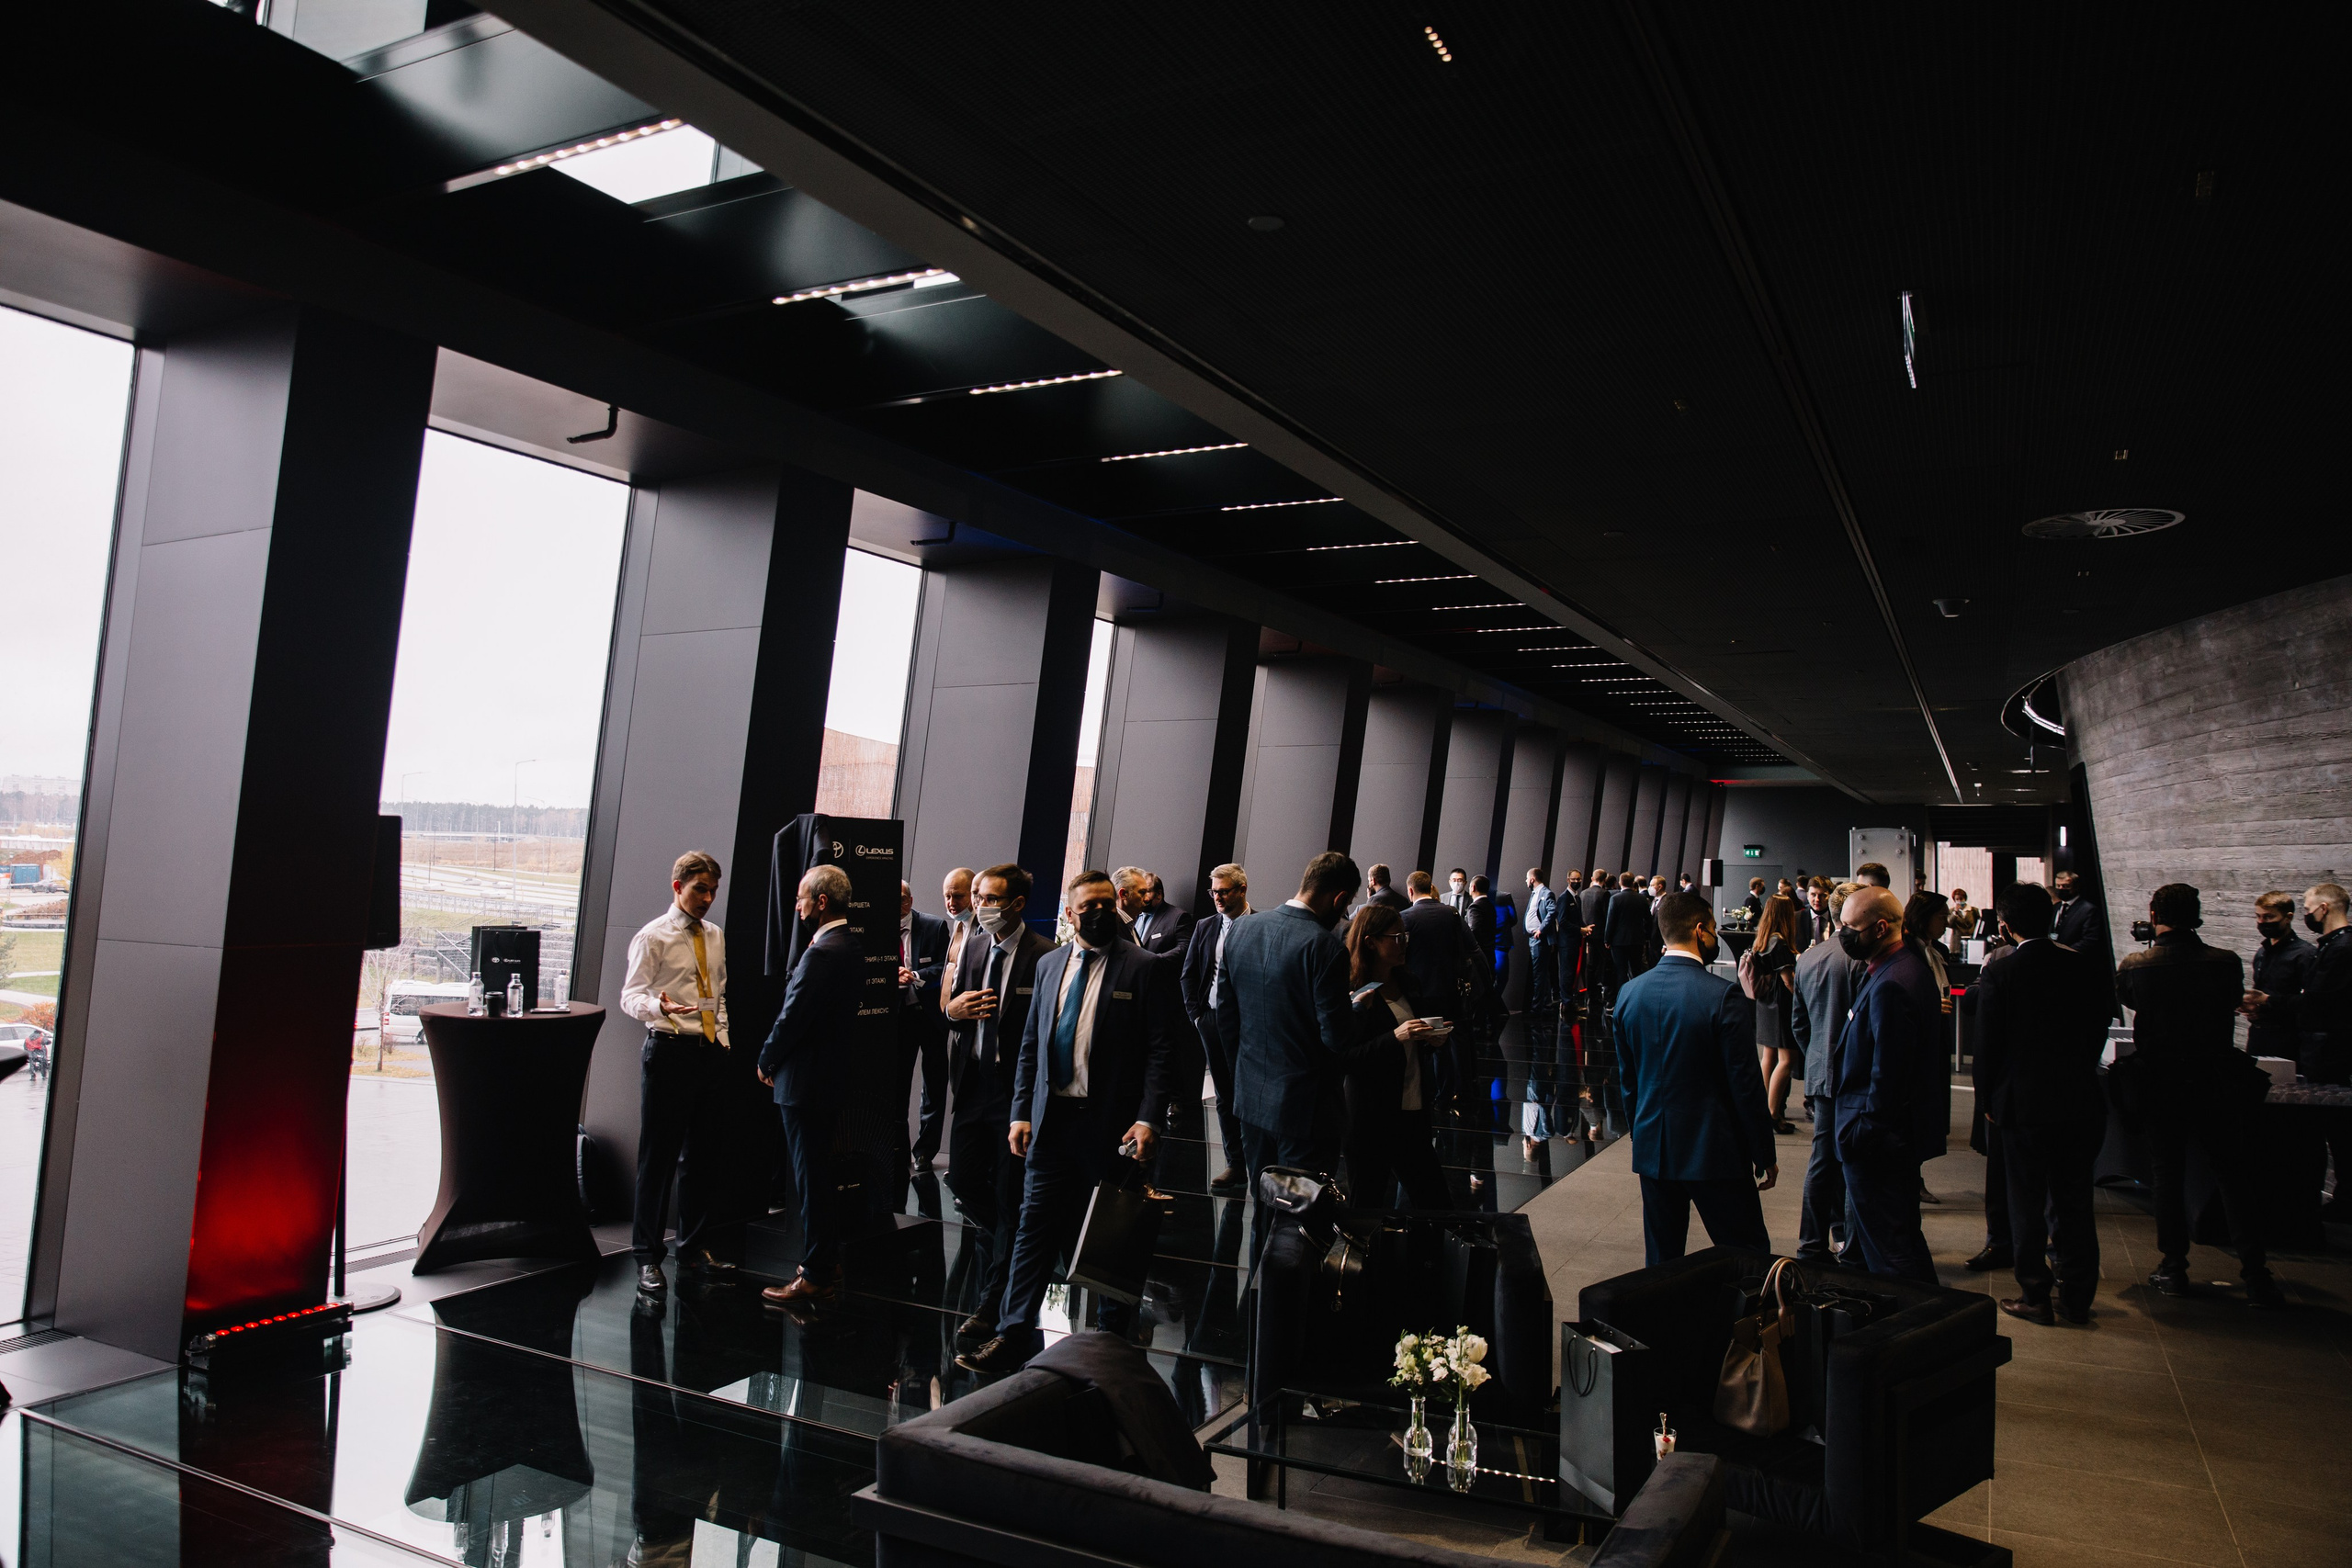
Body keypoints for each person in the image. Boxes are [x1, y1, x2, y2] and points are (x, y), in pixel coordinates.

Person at [959, 869, 1181, 1371]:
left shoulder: (1143, 967)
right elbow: (1031, 1046)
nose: (1100, 913)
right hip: (1051, 1124)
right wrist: (1020, 1112)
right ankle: (1016, 1333)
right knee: (1032, 1229)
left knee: (1111, 1235)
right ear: (1069, 913)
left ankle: (1109, 1342)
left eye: (1108, 903)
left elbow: (1162, 1054)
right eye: (1089, 906)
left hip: (1113, 1128)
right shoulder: (1050, 965)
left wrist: (1149, 1119)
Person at [2114, 883, 2283, 1306]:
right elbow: (2230, 1002)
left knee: (2166, 1174)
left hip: (2162, 1080)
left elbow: (2131, 1000)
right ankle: (2256, 1271)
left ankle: (2173, 1267)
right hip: (2215, 1079)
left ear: (2154, 915)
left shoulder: (2137, 964)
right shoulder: (2225, 963)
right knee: (2232, 1175)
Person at [1971, 882, 2115, 1325]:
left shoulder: (2002, 972)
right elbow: (2099, 1028)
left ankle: (2035, 1294)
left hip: (2021, 1104)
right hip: (2077, 1099)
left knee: (2026, 1202)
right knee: (2074, 1200)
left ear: (2005, 925)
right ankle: (2077, 1296)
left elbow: (1988, 1045)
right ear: (2053, 919)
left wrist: (1987, 1099)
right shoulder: (2085, 967)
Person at [1614, 892, 1776, 1263]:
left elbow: (1629, 1082)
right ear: (1700, 931)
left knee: (1661, 1261)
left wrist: (1643, 1135)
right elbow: (1745, 1085)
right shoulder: (1722, 996)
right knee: (1746, 1254)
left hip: (1654, 1149)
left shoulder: (1628, 994)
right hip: (1715, 1150)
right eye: (1714, 930)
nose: (1715, 937)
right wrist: (1763, 1152)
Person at [1217, 852, 1385, 1186]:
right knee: (1299, 1215)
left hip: (1251, 1100)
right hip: (1305, 1110)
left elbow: (1227, 1017)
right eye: (1346, 903)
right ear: (1339, 898)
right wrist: (1359, 1007)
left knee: (1263, 1208)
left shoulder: (1242, 930)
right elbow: (1336, 1037)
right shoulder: (1325, 947)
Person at [940, 863, 1053, 1349]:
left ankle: (993, 1302)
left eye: (989, 898)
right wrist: (951, 1010)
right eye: (978, 896)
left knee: (1009, 1195)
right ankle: (1011, 1241)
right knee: (963, 1180)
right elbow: (952, 1007)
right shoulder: (973, 945)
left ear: (1017, 905)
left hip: (1014, 1095)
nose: (979, 905)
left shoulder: (1045, 957)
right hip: (972, 1086)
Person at [620, 851, 739, 1293]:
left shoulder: (714, 935)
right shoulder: (654, 936)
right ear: (678, 887)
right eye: (699, 890)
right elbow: (630, 996)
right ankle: (647, 1257)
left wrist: (722, 1038)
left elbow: (719, 992)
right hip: (668, 1051)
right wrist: (657, 1006)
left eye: (712, 891)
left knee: (702, 1159)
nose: (707, 899)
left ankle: (692, 1248)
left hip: (708, 1051)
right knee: (658, 1160)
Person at [756, 865, 865, 1305]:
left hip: (803, 1083)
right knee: (817, 1174)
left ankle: (817, 1272)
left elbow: (794, 1015)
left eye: (802, 898)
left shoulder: (821, 953)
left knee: (810, 1179)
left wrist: (767, 1057)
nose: (797, 905)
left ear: (821, 902)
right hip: (828, 1080)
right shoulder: (852, 945)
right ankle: (825, 1262)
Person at [1826, 886, 1943, 1283]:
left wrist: (1863, 1134)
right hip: (1886, 1140)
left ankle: (1911, 1332)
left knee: (1892, 1257)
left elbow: (1888, 1075)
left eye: (1849, 927)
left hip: (1878, 1145)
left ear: (1878, 928)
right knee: (1886, 1245)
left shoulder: (1894, 982)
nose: (1842, 934)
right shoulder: (1903, 968)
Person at [1340, 904, 1448, 1208]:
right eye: (1395, 937)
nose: (1403, 944)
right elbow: (1344, 1057)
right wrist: (1395, 1038)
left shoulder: (1407, 981)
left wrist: (1431, 1039)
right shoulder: (1352, 989)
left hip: (1412, 1108)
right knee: (1366, 1207)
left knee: (1435, 1202)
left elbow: (1413, 1040)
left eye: (1405, 936)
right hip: (1371, 1116)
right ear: (1371, 941)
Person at [1789, 884, 1862, 1261]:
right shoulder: (1861, 960)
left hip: (1822, 1073)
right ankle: (1851, 1247)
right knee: (1853, 1165)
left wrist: (1817, 1056)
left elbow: (1799, 1024)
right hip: (1855, 1078)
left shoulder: (1809, 959)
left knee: (1822, 1162)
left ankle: (1811, 1244)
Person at [1182, 863, 1252, 1191]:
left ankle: (1260, 1162)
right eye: (1214, 892)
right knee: (1224, 1096)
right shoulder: (1206, 926)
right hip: (1211, 1021)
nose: (1218, 897)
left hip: (1250, 1026)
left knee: (1251, 1094)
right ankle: (1236, 1163)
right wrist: (1197, 1016)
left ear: (1241, 890)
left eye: (1223, 891)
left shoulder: (1261, 925)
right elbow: (1189, 973)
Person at [1402, 869, 1486, 1109]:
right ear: (1431, 887)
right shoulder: (1451, 913)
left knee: (1429, 1044)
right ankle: (1462, 1092)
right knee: (1457, 1040)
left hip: (1421, 992)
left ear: (1410, 891)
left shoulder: (1405, 918)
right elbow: (1472, 947)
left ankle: (1436, 1093)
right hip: (1451, 988)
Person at [896, 880, 952, 1175]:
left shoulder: (933, 927)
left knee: (933, 1086)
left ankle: (925, 1152)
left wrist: (914, 974)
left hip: (930, 1016)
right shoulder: (875, 928)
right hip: (898, 1018)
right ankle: (899, 1150)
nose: (898, 905)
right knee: (897, 1087)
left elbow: (948, 967)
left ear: (911, 899)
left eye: (902, 899)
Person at [924, 867, 978, 1165]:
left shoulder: (981, 929)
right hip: (950, 1025)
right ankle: (961, 1167)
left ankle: (965, 1168)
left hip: (970, 1029)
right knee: (957, 1093)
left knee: (967, 1100)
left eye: (957, 895)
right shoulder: (957, 926)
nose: (951, 901)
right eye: (947, 895)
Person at [1745, 894, 1801, 1134]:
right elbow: (1789, 981)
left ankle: (1764, 1111)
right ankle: (1773, 1113)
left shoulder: (1763, 938)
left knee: (1768, 1056)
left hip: (1765, 1002)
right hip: (1781, 1003)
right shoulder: (1780, 942)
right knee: (1787, 1060)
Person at [2240, 890, 2314, 1062]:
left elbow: (2310, 1004)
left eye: (2268, 917)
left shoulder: (2305, 955)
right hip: (2259, 1036)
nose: (2261, 922)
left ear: (2288, 917)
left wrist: (2267, 1002)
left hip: (2288, 1041)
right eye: (2258, 917)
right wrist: (2252, 1008)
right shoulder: (2261, 953)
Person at [1131, 872, 1194, 956]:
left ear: (1159, 894)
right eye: (1140, 892)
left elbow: (1185, 948)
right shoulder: (1133, 914)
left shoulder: (1178, 917)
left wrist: (1155, 960)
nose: (1143, 897)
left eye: (1147, 892)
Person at [1606, 872, 1651, 990]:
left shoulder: (1615, 899)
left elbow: (1611, 921)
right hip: (1637, 940)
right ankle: (1635, 995)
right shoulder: (1642, 899)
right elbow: (1648, 920)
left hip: (1619, 942)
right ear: (1633, 883)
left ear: (1620, 883)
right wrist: (1646, 936)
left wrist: (1607, 939)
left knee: (1621, 971)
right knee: (1636, 970)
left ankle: (1622, 997)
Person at [1524, 867, 1560, 1013]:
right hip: (1533, 939)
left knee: (1539, 973)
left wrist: (1541, 929)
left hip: (1540, 939)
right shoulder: (1535, 894)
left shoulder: (1546, 893)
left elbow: (1553, 911)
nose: (1526, 881)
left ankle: (1537, 1007)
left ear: (1532, 879)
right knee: (1542, 974)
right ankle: (1546, 1005)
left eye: (1527, 878)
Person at [1578, 868, 1612, 1000]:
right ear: (1604, 880)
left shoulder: (1583, 893)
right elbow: (1607, 916)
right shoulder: (1604, 894)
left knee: (1590, 965)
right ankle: (1604, 992)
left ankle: (1590, 993)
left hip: (1587, 933)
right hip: (1600, 934)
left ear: (1592, 878)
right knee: (1605, 964)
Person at [1465, 874, 1500, 975]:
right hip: (1489, 955)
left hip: (1478, 958)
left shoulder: (1475, 906)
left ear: (1473, 887)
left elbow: (1474, 930)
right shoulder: (1490, 905)